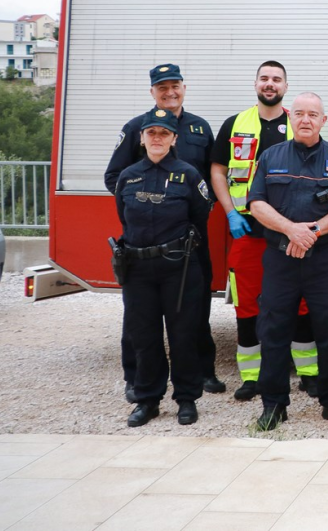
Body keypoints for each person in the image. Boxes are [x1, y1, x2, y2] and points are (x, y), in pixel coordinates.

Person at [104, 63, 223, 403]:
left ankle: (203, 370)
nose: (169, 92)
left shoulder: (200, 128)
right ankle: (135, 376)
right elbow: (115, 178)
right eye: (162, 87)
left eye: (175, 86)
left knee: (195, 307)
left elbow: (211, 177)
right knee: (139, 316)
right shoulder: (136, 127)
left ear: (184, 87)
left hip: (191, 237)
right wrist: (146, 210)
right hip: (146, 240)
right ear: (152, 92)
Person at [248, 92, 328, 430]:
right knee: (274, 330)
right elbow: (256, 203)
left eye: (313, 114)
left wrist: (312, 232)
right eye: (299, 113)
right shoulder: (270, 156)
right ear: (289, 119)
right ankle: (273, 405)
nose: (306, 119)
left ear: (324, 120)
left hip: (324, 259)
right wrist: (291, 231)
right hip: (281, 259)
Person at [210, 61, 317, 402]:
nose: (270, 84)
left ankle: (309, 374)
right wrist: (229, 212)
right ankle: (252, 377)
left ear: (285, 85)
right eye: (265, 78)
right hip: (246, 233)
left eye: (277, 79)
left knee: (301, 304)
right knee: (247, 307)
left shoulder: (297, 122)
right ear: (255, 82)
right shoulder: (235, 124)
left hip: (288, 236)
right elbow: (218, 169)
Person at [114, 109, 212, 427]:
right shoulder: (128, 177)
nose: (157, 139)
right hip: (138, 269)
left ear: (174, 139)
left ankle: (186, 398)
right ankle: (147, 399)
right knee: (145, 337)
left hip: (178, 268)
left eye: (164, 133)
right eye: (152, 133)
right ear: (141, 138)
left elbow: (200, 217)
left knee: (183, 335)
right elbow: (123, 217)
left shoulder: (189, 176)